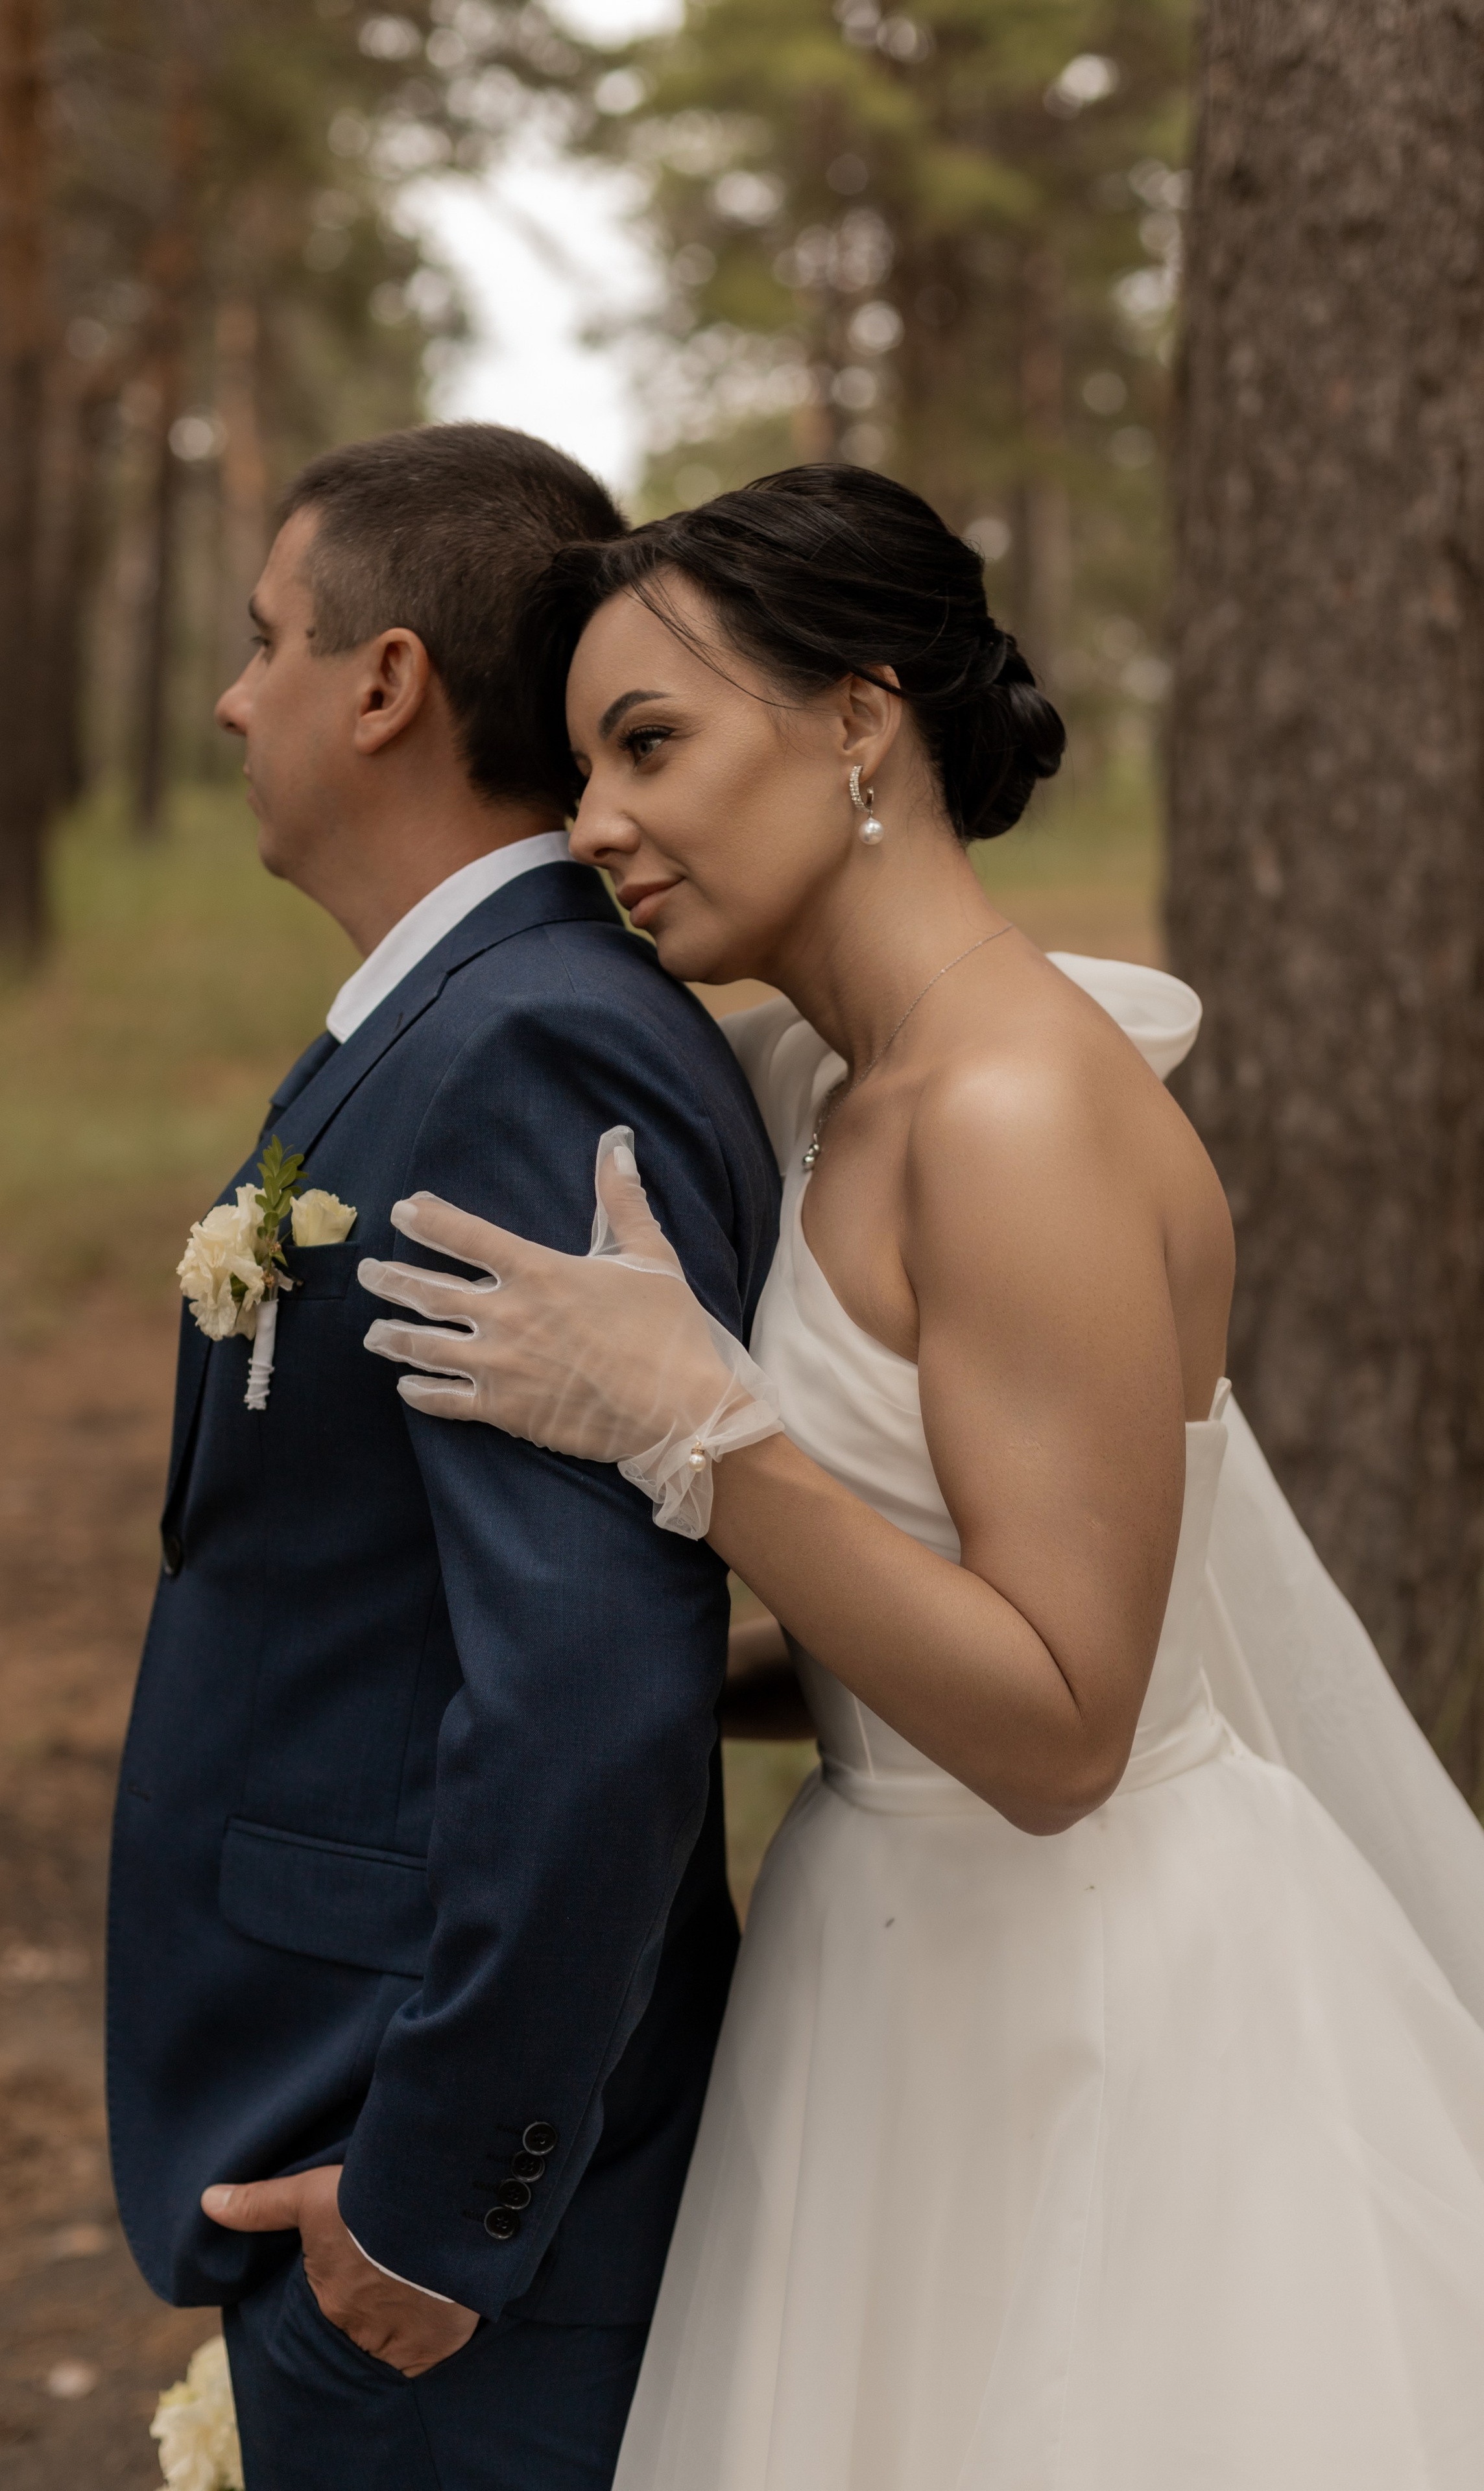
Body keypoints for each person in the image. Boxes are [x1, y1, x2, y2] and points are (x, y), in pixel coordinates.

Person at [361, 464, 1484, 2488]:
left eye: (652, 744)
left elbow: (1065, 1726)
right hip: (883, 1957)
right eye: (584, 761)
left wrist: (699, 1434)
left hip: (1094, 2007)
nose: (595, 819)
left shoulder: (1014, 1109)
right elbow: (924, 1599)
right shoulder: (829, 1081)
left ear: (859, 717)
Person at [104, 424, 780, 2491]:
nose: (234, 696)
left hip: (435, 2194)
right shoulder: (452, 1013)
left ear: (385, 682)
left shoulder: (528, 1045)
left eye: (265, 638)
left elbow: (588, 1693)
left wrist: (430, 2199)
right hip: (337, 2097)